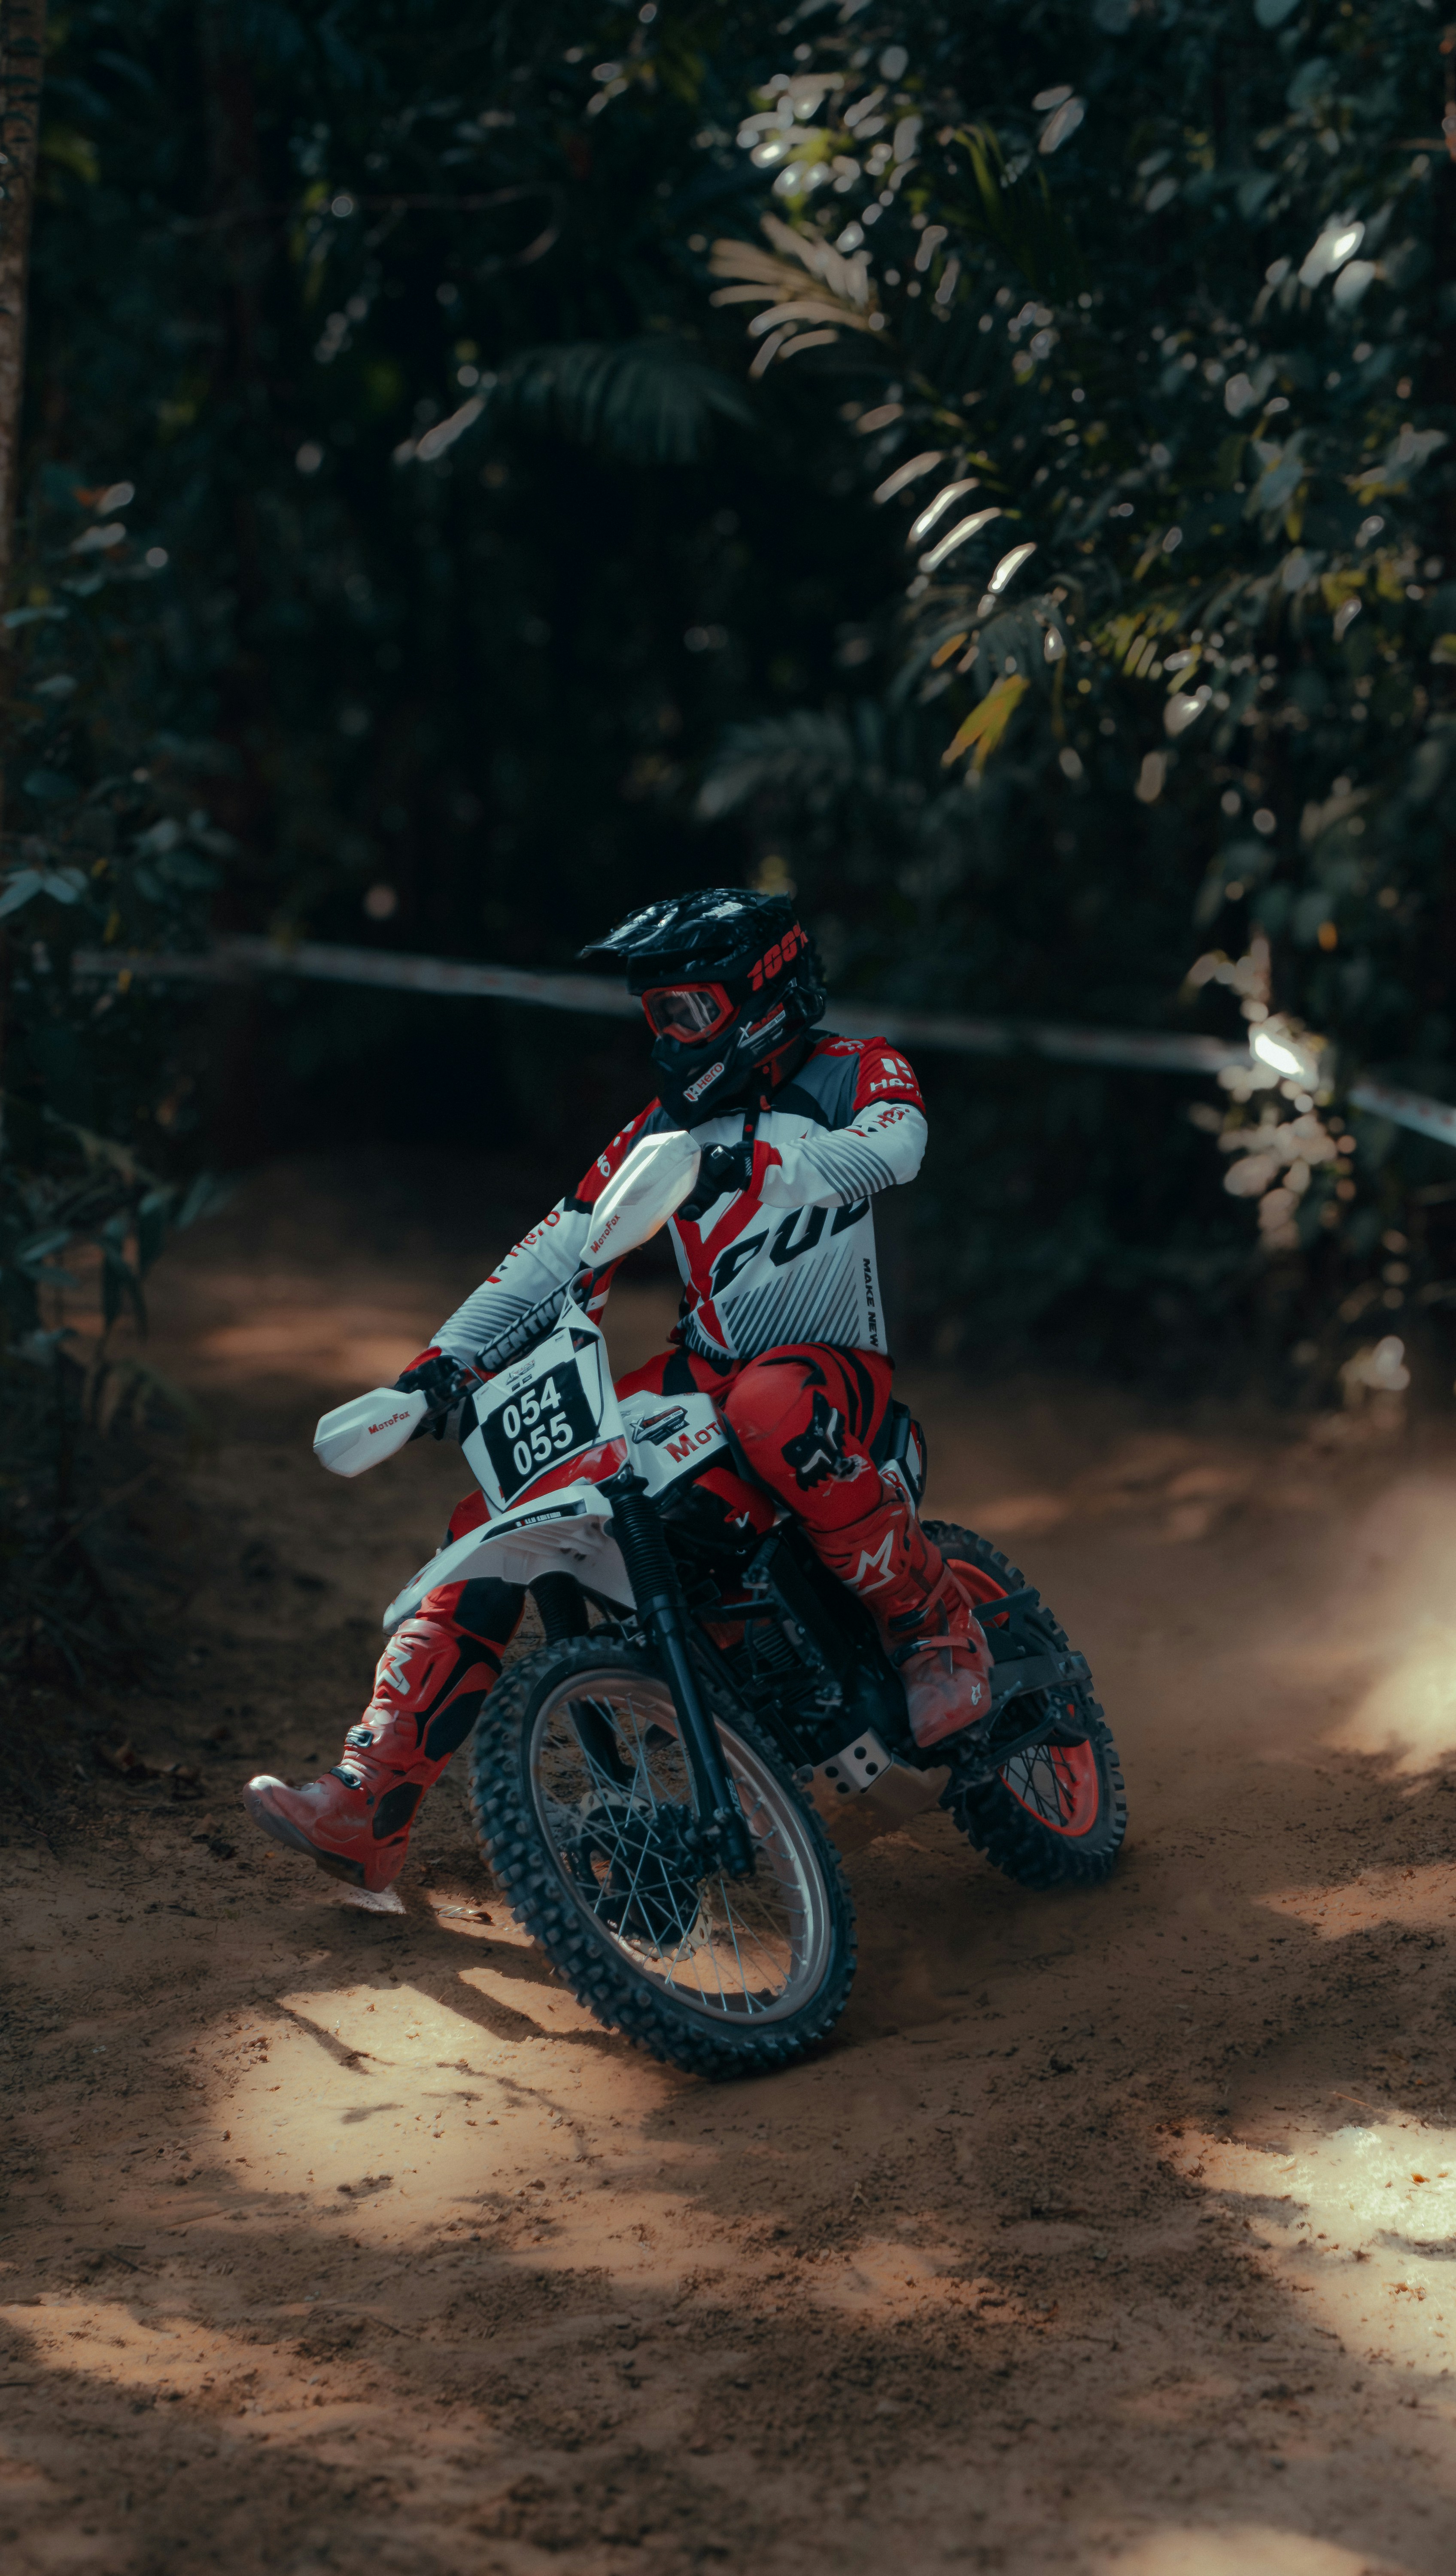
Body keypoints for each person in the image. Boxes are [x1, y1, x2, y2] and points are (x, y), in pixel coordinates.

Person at [243, 888, 994, 1892]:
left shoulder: (857, 1068)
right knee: (492, 1509)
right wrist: (435, 1371)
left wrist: (745, 1160)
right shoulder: (658, 1130)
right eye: (657, 1016)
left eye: (687, 1010)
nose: (670, 1036)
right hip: (705, 1363)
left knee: (770, 1405)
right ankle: (368, 1800)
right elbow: (554, 1251)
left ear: (761, 994)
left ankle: (931, 1621)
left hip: (830, 1361)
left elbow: (894, 1150)